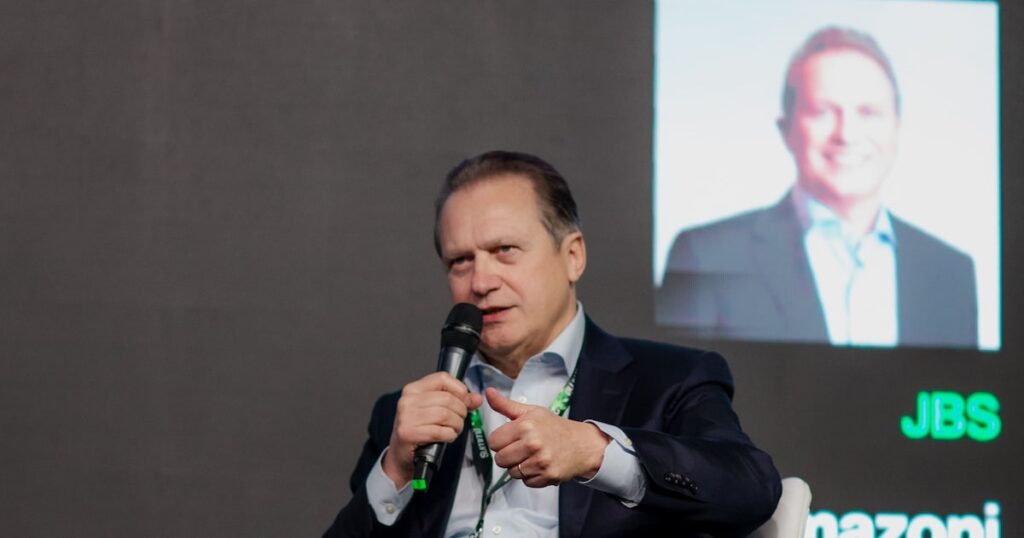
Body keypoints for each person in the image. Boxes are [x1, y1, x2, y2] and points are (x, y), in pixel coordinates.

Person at [324, 151, 781, 537]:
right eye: (460, 261)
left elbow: (751, 489)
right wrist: (396, 470)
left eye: (505, 250)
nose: (481, 281)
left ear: (573, 257)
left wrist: (596, 452)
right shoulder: (405, 418)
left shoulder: (668, 382)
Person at [656, 26, 977, 348]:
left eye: (868, 112)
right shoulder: (705, 255)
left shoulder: (950, 272)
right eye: (823, 112)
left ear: (897, 127)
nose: (847, 134)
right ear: (786, 129)